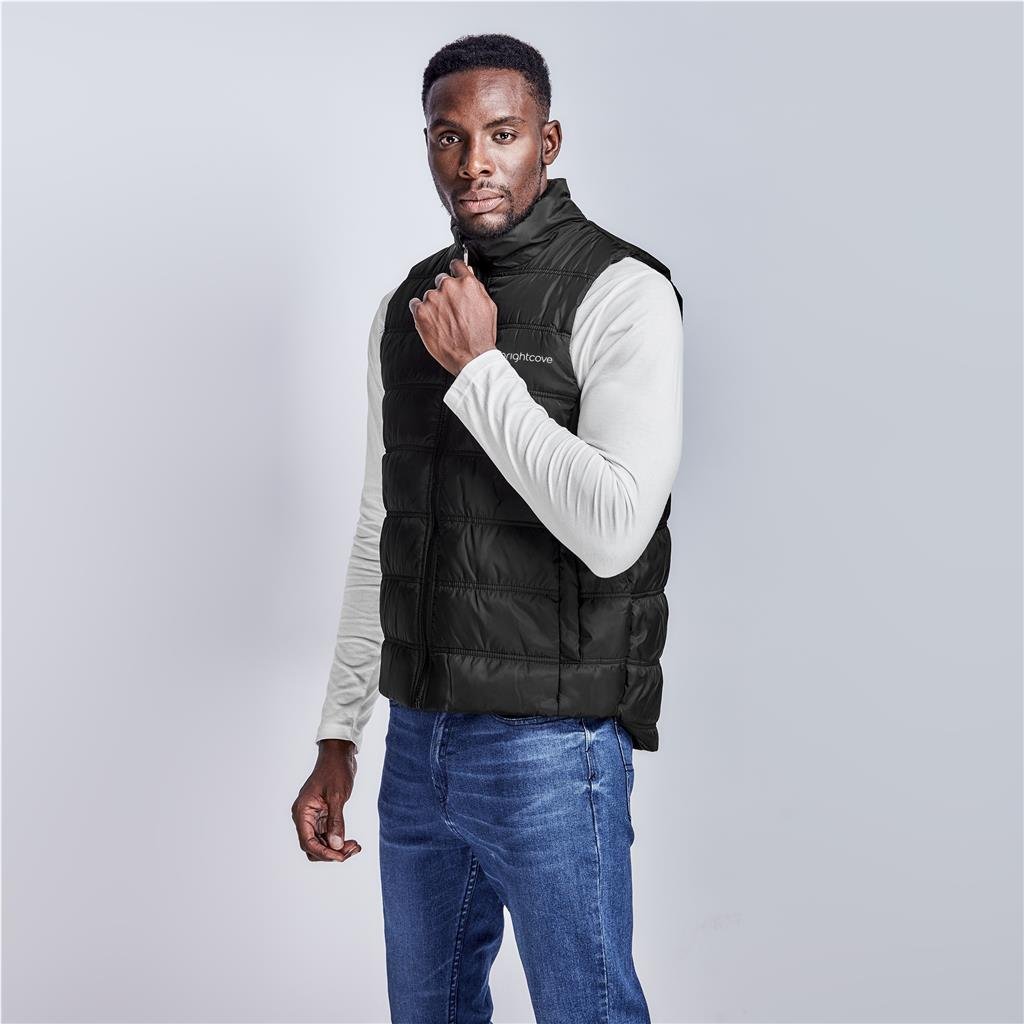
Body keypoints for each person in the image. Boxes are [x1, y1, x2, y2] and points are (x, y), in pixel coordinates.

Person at [291, 32, 684, 1024]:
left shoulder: (624, 293)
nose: (474, 162)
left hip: (552, 747)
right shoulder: (408, 307)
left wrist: (480, 371)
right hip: (418, 742)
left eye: (502, 134)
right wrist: (340, 733)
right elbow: (383, 526)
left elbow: (613, 529)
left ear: (546, 141)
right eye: (449, 136)